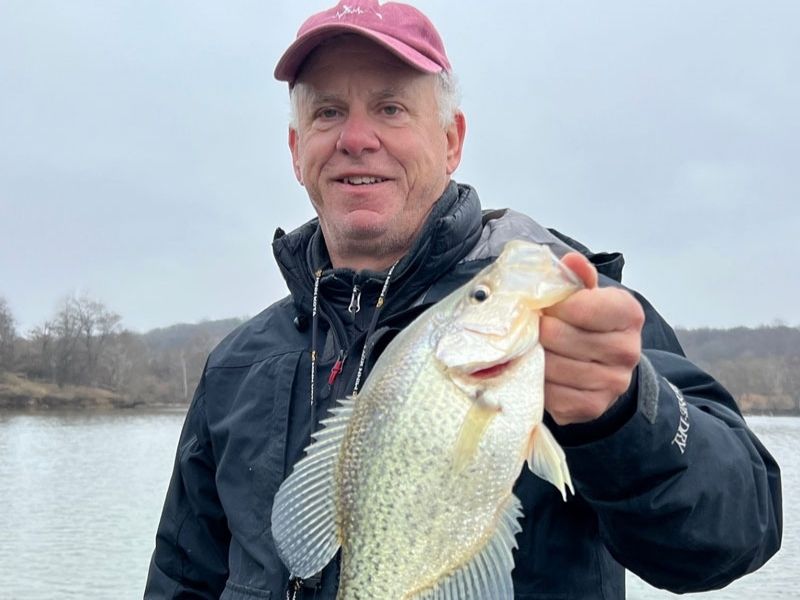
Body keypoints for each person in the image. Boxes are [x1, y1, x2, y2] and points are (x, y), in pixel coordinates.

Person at [144, 1, 782, 598]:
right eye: (328, 113)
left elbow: (737, 532)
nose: (356, 138)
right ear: (296, 151)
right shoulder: (236, 364)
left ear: (452, 140)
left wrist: (623, 414)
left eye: (392, 108)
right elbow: (182, 575)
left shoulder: (564, 307)